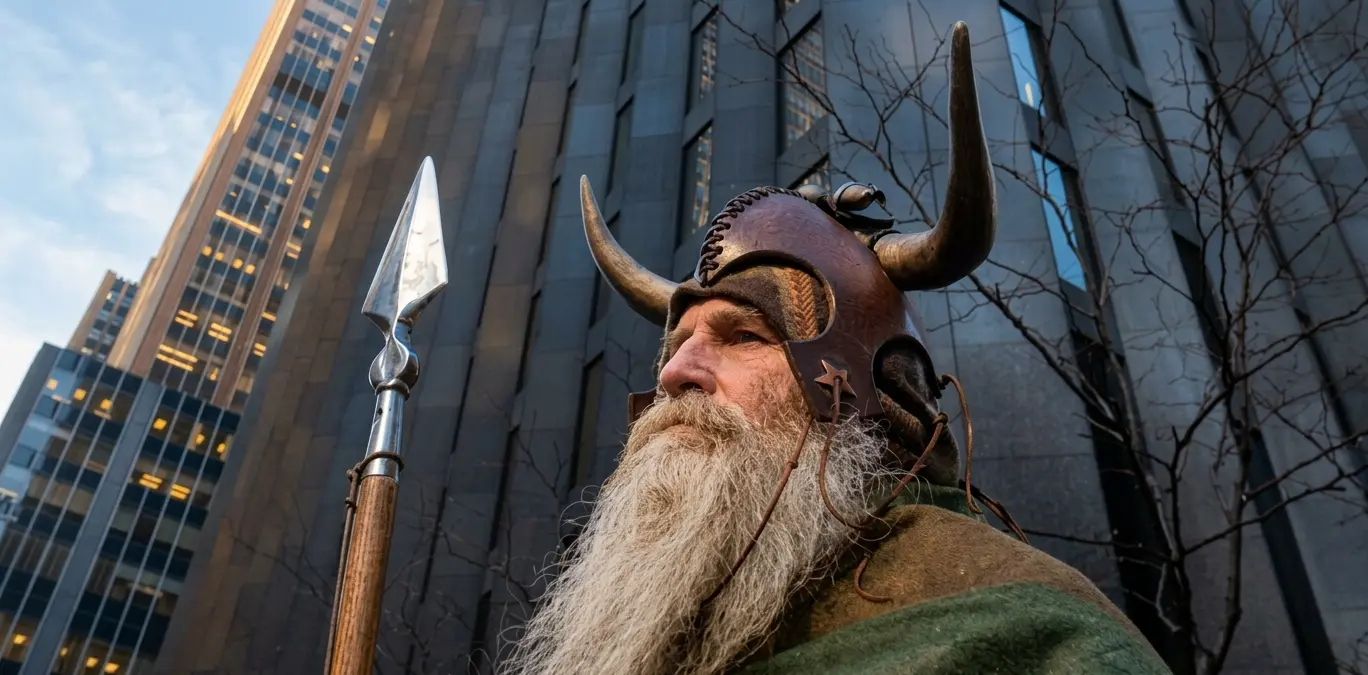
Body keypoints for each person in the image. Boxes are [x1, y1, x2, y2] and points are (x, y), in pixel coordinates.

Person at [502, 22, 1171, 675]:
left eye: (744, 335)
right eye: (676, 345)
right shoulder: (650, 620)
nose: (675, 372)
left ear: (854, 387)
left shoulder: (1030, 632)